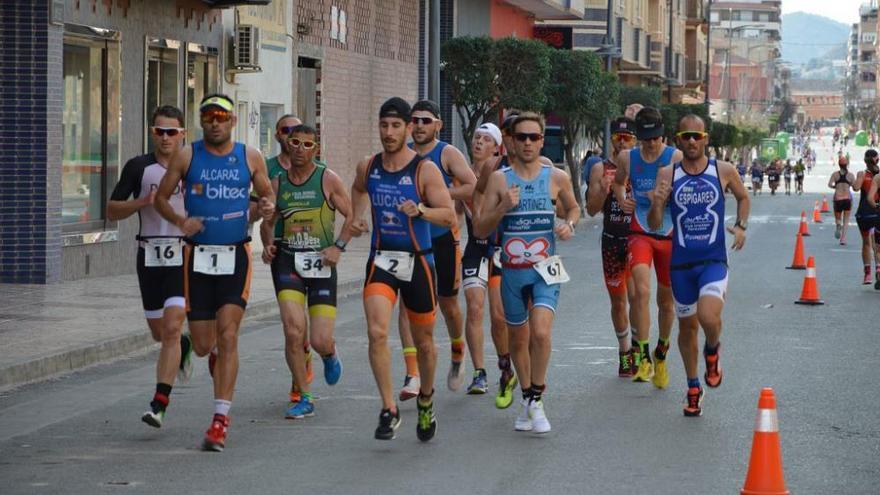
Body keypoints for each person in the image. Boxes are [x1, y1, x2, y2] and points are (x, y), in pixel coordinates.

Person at [154, 94, 275, 451]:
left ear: (232, 121)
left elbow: (268, 196)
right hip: (198, 259)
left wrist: (267, 207)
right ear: (202, 121)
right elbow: (161, 198)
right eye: (208, 116)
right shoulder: (187, 155)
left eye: (221, 116)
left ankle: (220, 419)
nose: (215, 122)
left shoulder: (249, 157)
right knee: (206, 345)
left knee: (229, 334)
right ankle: (202, 351)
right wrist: (180, 221)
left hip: (235, 256)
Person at [348, 97, 456, 441]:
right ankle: (388, 407)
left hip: (419, 261)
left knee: (425, 344)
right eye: (384, 125)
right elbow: (357, 188)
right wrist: (357, 216)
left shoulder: (425, 169)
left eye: (396, 126)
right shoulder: (369, 166)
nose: (389, 132)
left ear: (409, 128)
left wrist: (421, 210)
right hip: (381, 259)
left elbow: (449, 215)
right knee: (377, 332)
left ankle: (425, 399)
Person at [474, 112, 580, 433]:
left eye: (535, 137)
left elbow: (573, 207)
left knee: (542, 333)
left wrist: (569, 224)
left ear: (542, 140)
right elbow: (479, 227)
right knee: (518, 339)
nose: (529, 143)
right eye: (522, 137)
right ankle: (526, 398)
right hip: (512, 271)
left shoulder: (555, 176)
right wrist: (503, 207)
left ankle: (536, 396)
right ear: (512, 142)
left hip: (546, 269)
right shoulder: (499, 179)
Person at [647, 114, 750, 417]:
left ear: (706, 139)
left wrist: (741, 225)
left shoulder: (724, 170)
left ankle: (713, 349)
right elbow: (654, 224)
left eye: (697, 135)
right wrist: (656, 203)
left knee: (708, 316)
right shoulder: (667, 174)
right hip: (681, 265)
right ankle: (693, 386)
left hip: (713, 260)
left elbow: (743, 197)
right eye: (686, 136)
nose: (692, 141)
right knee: (687, 327)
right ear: (678, 140)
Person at [107, 105, 193, 428]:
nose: (166, 137)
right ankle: (183, 346)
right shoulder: (138, 167)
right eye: (160, 131)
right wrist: (143, 202)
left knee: (171, 327)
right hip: (149, 255)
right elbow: (112, 210)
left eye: (172, 132)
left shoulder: (193, 167)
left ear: (183, 133)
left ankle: (159, 403)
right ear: (151, 132)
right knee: (161, 333)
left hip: (182, 255)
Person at [260, 124, 352, 419]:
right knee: (293, 330)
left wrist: (338, 246)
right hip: (287, 261)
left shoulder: (327, 179)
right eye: (295, 142)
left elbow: (353, 217)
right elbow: (268, 222)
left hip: (321, 263)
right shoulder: (278, 182)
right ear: (287, 143)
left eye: (307, 144)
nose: (300, 149)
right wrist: (267, 244)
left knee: (319, 339)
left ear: (317, 149)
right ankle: (304, 395)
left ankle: (328, 353)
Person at [396, 100, 476, 396]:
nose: (418, 126)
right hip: (410, 241)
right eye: (414, 120)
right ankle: (412, 374)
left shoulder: (447, 153)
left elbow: (472, 186)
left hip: (442, 238)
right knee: (406, 307)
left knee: (448, 303)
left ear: (438, 125)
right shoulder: (401, 155)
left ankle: (458, 350)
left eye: (425, 121)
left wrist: (437, 194)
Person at [613, 107, 682, 388]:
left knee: (666, 302)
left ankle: (661, 353)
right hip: (639, 229)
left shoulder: (675, 157)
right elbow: (618, 184)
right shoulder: (627, 157)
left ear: (662, 134)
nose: (651, 144)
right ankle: (642, 355)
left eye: (655, 138)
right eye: (645, 139)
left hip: (669, 231)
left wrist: (667, 199)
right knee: (640, 291)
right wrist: (622, 199)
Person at [460, 123, 510, 396]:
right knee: (475, 308)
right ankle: (479, 372)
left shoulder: (501, 174)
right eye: (476, 137)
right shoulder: (461, 174)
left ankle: (505, 363)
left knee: (499, 316)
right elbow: (451, 211)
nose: (479, 142)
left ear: (496, 147)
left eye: (486, 139)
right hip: (474, 249)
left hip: (500, 250)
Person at [586, 117, 637, 376]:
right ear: (612, 141)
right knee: (618, 301)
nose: (623, 142)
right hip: (612, 242)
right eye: (619, 138)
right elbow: (591, 209)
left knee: (638, 297)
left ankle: (640, 349)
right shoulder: (600, 169)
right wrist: (603, 192)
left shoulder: (643, 167)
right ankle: (625, 352)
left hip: (637, 241)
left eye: (628, 138)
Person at [854, 149, 880, 286]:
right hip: (876, 212)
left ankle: (867, 274)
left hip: (864, 213)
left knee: (866, 243)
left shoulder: (862, 174)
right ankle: (878, 270)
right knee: (877, 244)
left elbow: (856, 188)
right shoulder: (878, 176)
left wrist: (856, 179)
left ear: (865, 161)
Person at [829, 156, 855, 245]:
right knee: (846, 219)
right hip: (847, 199)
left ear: (839, 165)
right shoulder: (851, 175)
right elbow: (855, 186)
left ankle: (838, 225)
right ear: (846, 164)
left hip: (837, 199)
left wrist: (835, 187)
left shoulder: (835, 174)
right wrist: (849, 185)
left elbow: (829, 184)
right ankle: (843, 239)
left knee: (838, 217)